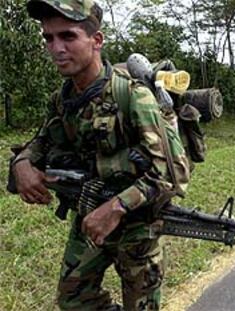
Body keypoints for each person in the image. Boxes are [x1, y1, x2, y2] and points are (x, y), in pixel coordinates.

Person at [11, 0, 190, 309]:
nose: (56, 48)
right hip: (90, 216)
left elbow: (174, 173)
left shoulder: (133, 96)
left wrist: (116, 207)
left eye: (68, 36)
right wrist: (22, 162)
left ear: (96, 41)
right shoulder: (62, 99)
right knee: (74, 300)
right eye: (48, 38)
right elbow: (42, 140)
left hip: (136, 225)